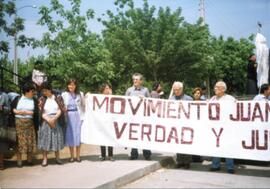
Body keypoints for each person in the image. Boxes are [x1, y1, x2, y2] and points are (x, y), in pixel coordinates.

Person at [209, 81, 235, 174]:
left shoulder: (230, 99)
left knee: (228, 146)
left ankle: (230, 166)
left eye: (217, 87)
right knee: (216, 146)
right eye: (215, 87)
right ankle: (215, 165)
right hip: (215, 127)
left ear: (223, 89)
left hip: (227, 127)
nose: (215, 88)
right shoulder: (212, 99)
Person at [11, 83, 39, 167]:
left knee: (30, 141)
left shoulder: (34, 100)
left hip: (30, 123)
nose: (33, 92)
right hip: (18, 123)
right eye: (32, 91)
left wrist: (25, 112)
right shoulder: (18, 98)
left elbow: (35, 112)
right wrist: (20, 112)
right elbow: (13, 109)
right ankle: (19, 161)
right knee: (19, 142)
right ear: (27, 91)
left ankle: (29, 160)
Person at [38, 82, 65, 167]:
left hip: (56, 120)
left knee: (56, 139)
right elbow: (41, 111)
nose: (44, 92)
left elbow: (61, 109)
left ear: (49, 89)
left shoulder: (58, 97)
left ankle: (57, 158)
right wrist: (49, 120)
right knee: (45, 140)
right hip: (46, 121)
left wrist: (54, 119)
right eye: (43, 91)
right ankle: (45, 159)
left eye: (45, 90)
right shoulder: (42, 99)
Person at [125, 73, 151, 160]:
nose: (135, 81)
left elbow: (151, 102)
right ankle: (134, 153)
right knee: (133, 135)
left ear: (141, 81)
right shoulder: (129, 90)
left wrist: (145, 98)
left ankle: (147, 153)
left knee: (144, 134)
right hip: (133, 116)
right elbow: (124, 102)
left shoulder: (145, 90)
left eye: (137, 79)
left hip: (143, 117)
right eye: (134, 79)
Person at [169, 81, 193, 169]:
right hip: (176, 124)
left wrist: (183, 107)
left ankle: (187, 162)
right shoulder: (171, 99)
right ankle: (180, 161)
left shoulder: (189, 99)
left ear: (181, 89)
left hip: (186, 124)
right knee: (178, 143)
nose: (175, 91)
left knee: (186, 143)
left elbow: (193, 111)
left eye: (177, 90)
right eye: (174, 90)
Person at [62, 79, 85, 163]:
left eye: (73, 85)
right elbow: (62, 106)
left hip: (78, 116)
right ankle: (72, 156)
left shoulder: (80, 94)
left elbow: (84, 105)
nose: (71, 86)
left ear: (76, 86)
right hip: (68, 117)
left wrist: (88, 97)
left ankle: (78, 156)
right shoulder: (64, 94)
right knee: (70, 136)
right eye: (70, 85)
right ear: (67, 85)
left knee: (78, 136)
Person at [99, 83, 114, 161]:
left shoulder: (111, 98)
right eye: (106, 88)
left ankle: (110, 155)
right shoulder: (98, 98)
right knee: (102, 138)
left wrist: (111, 96)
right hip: (101, 121)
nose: (108, 90)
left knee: (110, 138)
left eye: (108, 88)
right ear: (103, 89)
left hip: (109, 121)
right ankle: (103, 155)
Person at [0, 91, 10, 170]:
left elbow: (8, 109)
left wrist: (2, 108)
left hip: (1, 123)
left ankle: (1, 163)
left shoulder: (4, 96)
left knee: (1, 143)